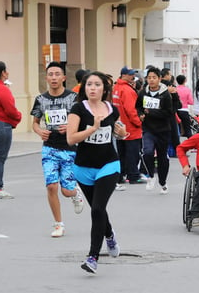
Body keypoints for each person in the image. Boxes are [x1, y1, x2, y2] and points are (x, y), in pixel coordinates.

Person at [66, 71, 127, 274]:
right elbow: (71, 139)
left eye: (96, 84)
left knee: (97, 209)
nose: (92, 88)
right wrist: (92, 128)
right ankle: (109, 235)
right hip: (83, 167)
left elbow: (119, 131)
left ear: (104, 89)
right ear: (84, 88)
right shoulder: (77, 109)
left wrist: (122, 132)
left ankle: (92, 257)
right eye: (89, 84)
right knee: (98, 209)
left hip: (108, 165)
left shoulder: (112, 110)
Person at [30, 61, 84, 237]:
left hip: (69, 147)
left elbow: (81, 121)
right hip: (49, 148)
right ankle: (58, 224)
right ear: (46, 78)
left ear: (63, 77)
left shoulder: (73, 98)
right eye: (50, 74)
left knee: (66, 191)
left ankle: (76, 192)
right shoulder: (41, 99)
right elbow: (35, 123)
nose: (53, 77)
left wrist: (69, 126)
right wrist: (40, 132)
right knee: (52, 186)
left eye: (57, 74)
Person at [136, 67, 173, 194]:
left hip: (163, 130)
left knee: (162, 158)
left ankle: (163, 182)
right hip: (148, 129)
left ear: (159, 79)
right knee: (147, 152)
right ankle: (150, 176)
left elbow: (168, 113)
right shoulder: (143, 93)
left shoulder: (165, 94)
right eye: (149, 77)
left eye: (154, 77)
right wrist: (140, 114)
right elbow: (138, 107)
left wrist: (150, 112)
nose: (151, 80)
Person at [112, 66, 146, 185]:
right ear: (124, 75)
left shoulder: (116, 88)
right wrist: (139, 123)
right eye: (131, 74)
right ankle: (133, 176)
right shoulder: (127, 90)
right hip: (130, 128)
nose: (133, 76)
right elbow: (131, 110)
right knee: (132, 153)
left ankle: (120, 175)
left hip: (120, 126)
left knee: (122, 153)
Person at [0, 61, 22, 199]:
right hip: (1, 125)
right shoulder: (2, 89)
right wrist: (18, 117)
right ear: (3, 73)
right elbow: (10, 110)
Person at [161, 68, 182, 155]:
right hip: (170, 113)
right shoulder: (170, 86)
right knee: (174, 134)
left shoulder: (157, 86)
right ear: (165, 75)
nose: (170, 76)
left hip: (160, 114)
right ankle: (177, 151)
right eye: (169, 74)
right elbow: (177, 101)